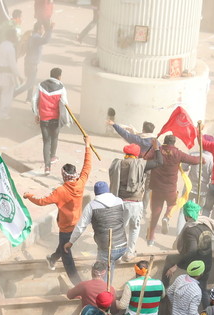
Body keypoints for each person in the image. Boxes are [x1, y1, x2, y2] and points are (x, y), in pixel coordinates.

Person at [23, 142, 92, 283]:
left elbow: (41, 201)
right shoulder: (80, 183)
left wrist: (28, 195)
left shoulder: (60, 191)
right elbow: (87, 165)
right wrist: (87, 146)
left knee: (67, 255)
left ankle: (77, 283)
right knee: (63, 245)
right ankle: (52, 259)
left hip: (66, 228)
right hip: (78, 226)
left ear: (63, 175)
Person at [146, 136, 203, 246]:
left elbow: (144, 157)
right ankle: (167, 216)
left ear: (165, 142)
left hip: (157, 188)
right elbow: (194, 161)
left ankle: (151, 239)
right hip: (170, 189)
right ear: (174, 143)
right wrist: (202, 159)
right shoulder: (178, 153)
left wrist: (152, 148)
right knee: (172, 203)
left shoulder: (157, 151)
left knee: (155, 213)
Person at [108, 144, 158, 260]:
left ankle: (117, 255)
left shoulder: (118, 163)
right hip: (135, 203)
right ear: (136, 154)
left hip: (120, 202)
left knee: (120, 230)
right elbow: (159, 162)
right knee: (134, 228)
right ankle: (130, 253)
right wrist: (156, 148)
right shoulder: (141, 165)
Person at [31, 67, 71, 175]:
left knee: (46, 142)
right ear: (59, 76)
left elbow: (34, 99)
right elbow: (65, 104)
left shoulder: (41, 85)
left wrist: (36, 114)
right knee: (55, 137)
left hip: (44, 118)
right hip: (55, 118)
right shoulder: (61, 88)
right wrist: (67, 120)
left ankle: (47, 167)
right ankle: (53, 156)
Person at [0, 30, 20, 120]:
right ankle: (2, 114)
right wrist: (19, 76)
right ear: (12, 37)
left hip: (1, 73)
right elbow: (13, 64)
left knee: (5, 93)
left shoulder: (3, 44)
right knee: (7, 95)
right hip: (7, 75)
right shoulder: (10, 48)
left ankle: (2, 113)